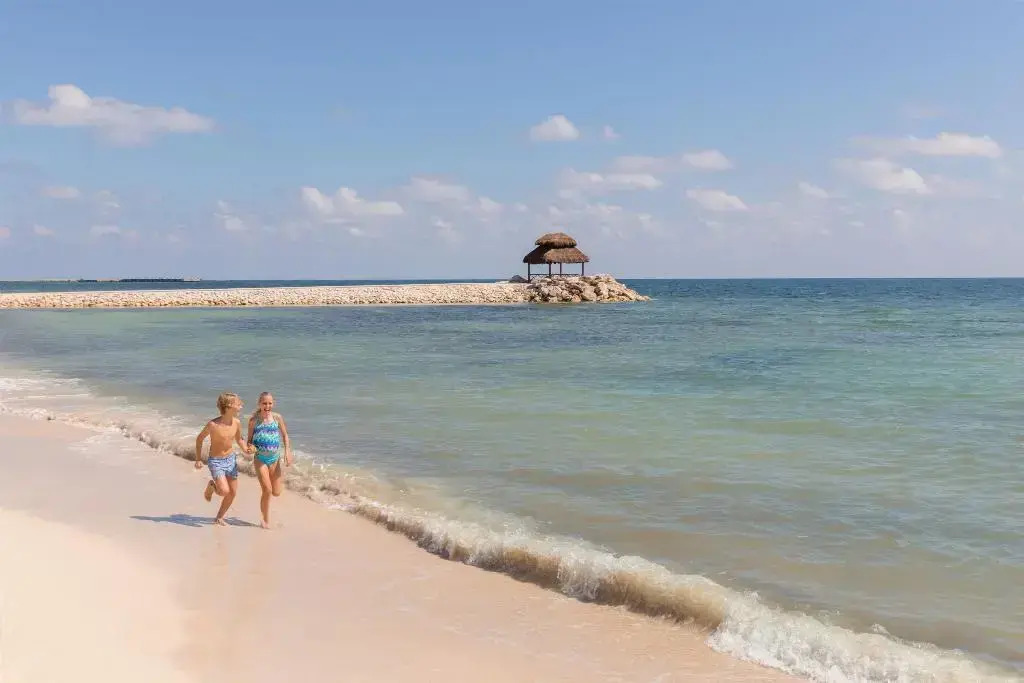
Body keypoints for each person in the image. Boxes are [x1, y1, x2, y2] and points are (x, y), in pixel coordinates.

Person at [194, 391, 252, 526]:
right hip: (216, 461)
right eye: (239, 404)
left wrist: (246, 449)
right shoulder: (213, 425)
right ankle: (212, 487)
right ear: (229, 406)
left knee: (232, 492)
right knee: (224, 491)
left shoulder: (236, 423)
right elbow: (199, 439)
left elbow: (239, 439)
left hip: (231, 460)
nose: (242, 405)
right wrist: (198, 459)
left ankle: (219, 517)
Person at [247, 392, 292, 529]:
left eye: (270, 403)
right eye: (264, 403)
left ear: (273, 403)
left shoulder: (277, 418)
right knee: (267, 490)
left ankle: (265, 505)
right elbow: (249, 440)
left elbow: (285, 435)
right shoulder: (254, 420)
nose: (267, 406)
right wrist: (250, 447)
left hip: (275, 459)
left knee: (276, 492)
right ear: (259, 404)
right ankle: (265, 520)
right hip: (260, 459)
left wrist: (287, 451)